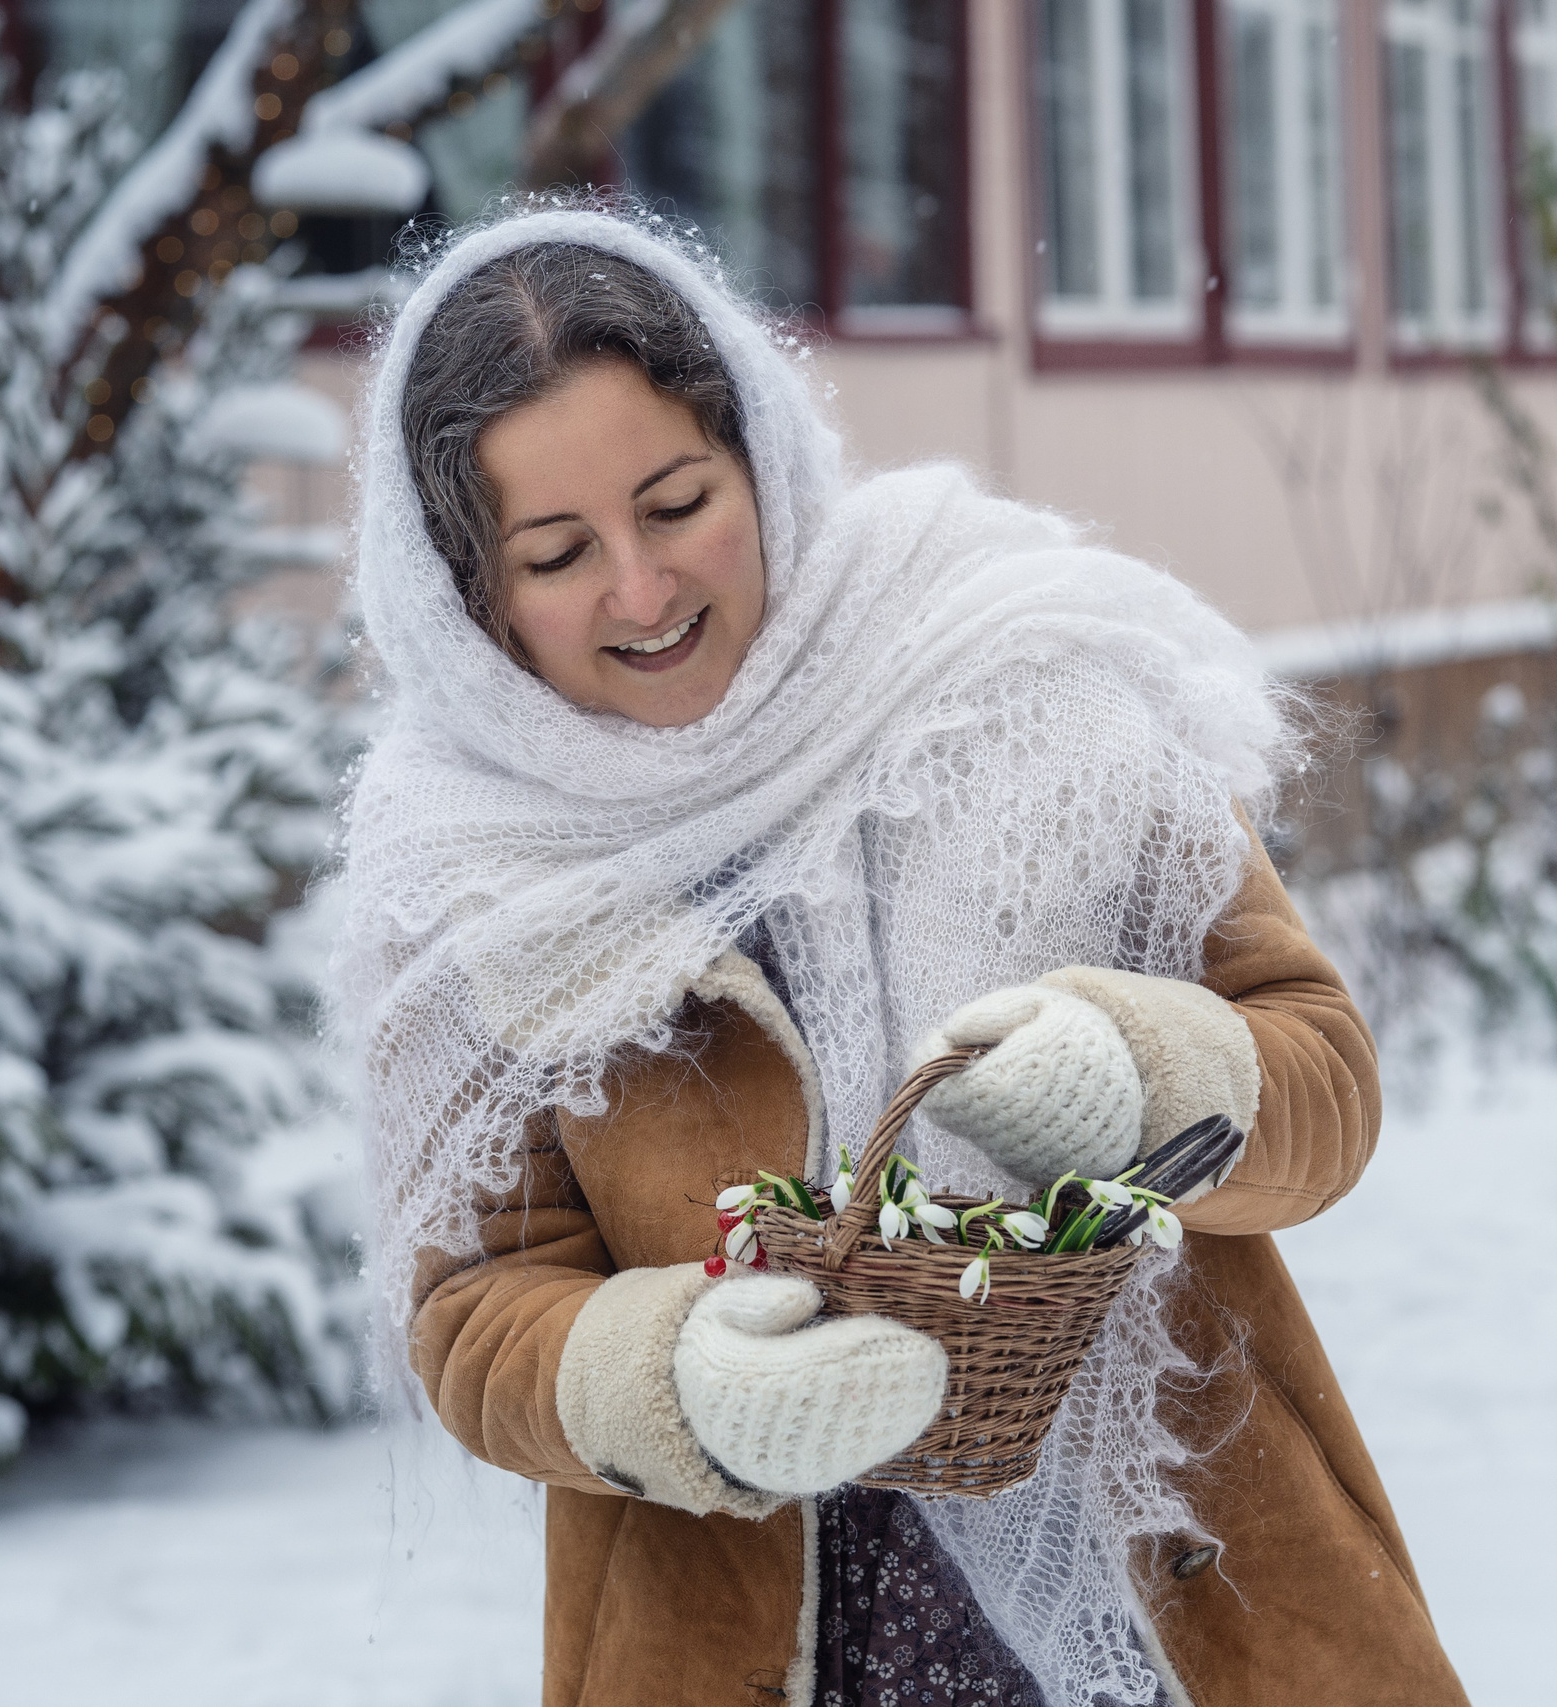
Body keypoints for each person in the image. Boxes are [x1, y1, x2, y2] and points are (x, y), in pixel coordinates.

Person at [333, 206, 1469, 1707]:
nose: (643, 590)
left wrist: (1140, 1076)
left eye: (677, 503)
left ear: (758, 456)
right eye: (558, 553)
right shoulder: (468, 872)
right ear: (474, 596)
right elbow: (479, 1309)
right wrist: (677, 1380)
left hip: (1183, 1611)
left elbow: (1324, 1080)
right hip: (744, 1646)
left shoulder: (1011, 672)